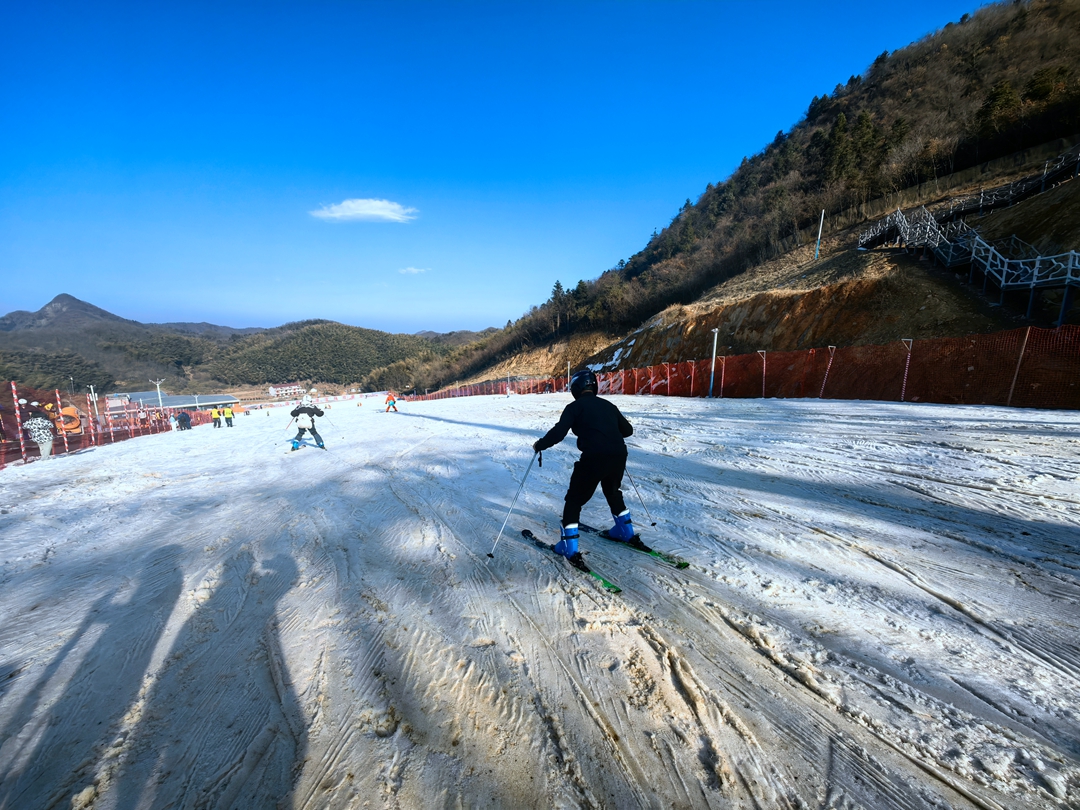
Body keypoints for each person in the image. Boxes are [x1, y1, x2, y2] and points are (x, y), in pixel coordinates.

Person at [532, 369, 636, 565]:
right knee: (613, 491)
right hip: (618, 455)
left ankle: (568, 547)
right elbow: (627, 431)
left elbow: (559, 433)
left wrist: (540, 445)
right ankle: (625, 531)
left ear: (575, 389)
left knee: (574, 499)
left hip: (594, 457)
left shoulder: (574, 407)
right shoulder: (608, 405)